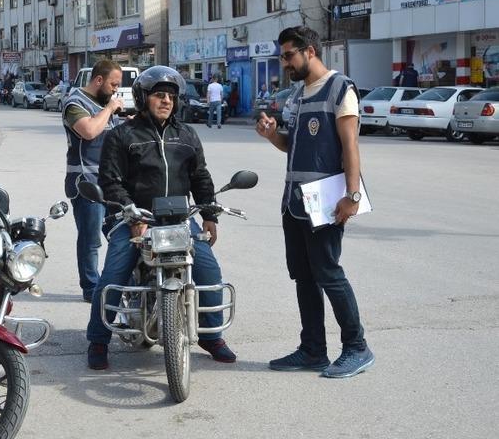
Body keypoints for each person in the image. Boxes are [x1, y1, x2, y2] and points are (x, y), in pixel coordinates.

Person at [87, 66, 236, 370]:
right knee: (114, 273)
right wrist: (131, 214)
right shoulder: (121, 135)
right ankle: (98, 339)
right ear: (144, 98)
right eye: (159, 95)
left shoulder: (187, 135)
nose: (166, 100)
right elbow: (110, 181)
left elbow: (201, 178)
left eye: (171, 96)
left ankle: (212, 335)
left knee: (208, 270)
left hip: (179, 220)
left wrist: (209, 215)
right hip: (134, 217)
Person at [255, 25, 373, 379]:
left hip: (325, 201)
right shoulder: (296, 94)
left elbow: (350, 146)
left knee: (328, 273)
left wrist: (351, 196)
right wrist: (272, 134)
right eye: (282, 57)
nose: (285, 63)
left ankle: (357, 347)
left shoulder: (341, 88)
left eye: (289, 56)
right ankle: (312, 350)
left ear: (310, 51)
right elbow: (291, 144)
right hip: (294, 202)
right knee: (303, 277)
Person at [62, 59, 124, 303]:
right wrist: (109, 109)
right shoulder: (74, 102)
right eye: (113, 84)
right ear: (98, 80)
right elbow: (88, 131)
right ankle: (91, 288)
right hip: (86, 182)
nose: (116, 90)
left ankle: (114, 283)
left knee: (119, 234)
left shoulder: (100, 103)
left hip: (109, 182)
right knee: (90, 240)